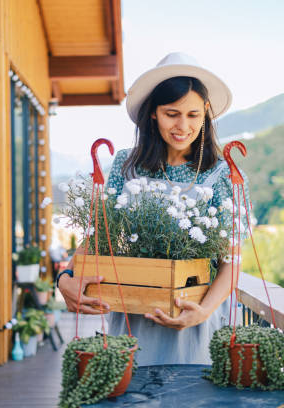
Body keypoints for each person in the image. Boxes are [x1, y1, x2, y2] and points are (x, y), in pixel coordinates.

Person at [56, 52, 251, 365]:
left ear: (206, 113)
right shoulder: (126, 165)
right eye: (171, 113)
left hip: (196, 319)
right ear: (153, 114)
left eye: (193, 115)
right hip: (135, 314)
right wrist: (66, 276)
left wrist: (202, 313)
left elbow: (232, 259)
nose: (183, 126)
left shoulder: (222, 172)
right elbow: (99, 235)